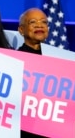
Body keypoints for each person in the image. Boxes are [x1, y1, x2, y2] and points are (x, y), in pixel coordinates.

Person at [17, 8, 49, 138]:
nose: (39, 25)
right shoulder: (15, 59)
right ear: (21, 30)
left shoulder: (61, 60)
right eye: (32, 22)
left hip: (51, 127)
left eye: (44, 22)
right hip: (25, 128)